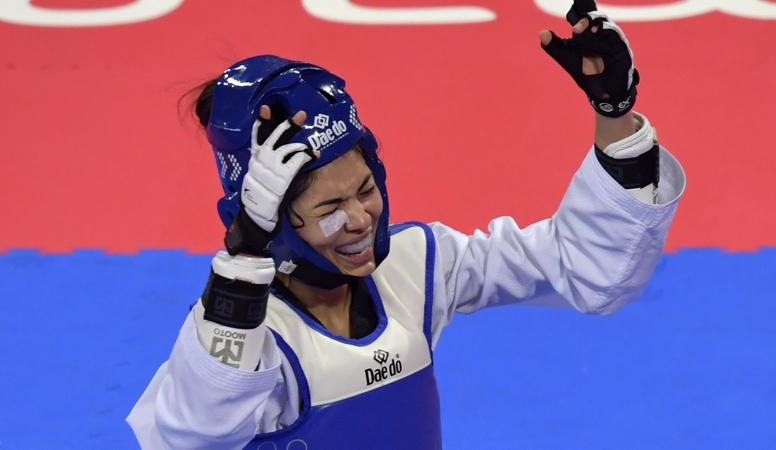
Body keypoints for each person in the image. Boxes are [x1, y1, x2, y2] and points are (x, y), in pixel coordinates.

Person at [127, 1, 686, 448]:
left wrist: (616, 117)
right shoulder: (248, 334)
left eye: (366, 189)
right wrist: (245, 252)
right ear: (268, 218)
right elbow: (193, 436)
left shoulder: (416, 266)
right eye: (328, 211)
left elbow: (590, 270)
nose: (359, 221)